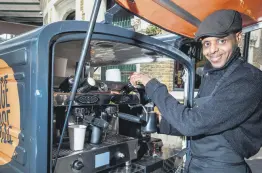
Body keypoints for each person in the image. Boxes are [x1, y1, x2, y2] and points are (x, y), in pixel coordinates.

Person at [130, 9, 262, 173]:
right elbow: (201, 123)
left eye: (221, 41)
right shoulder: (212, 75)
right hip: (196, 163)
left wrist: (152, 85)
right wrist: (159, 123)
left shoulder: (247, 79)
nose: (212, 50)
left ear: (238, 38)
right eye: (207, 43)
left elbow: (191, 124)